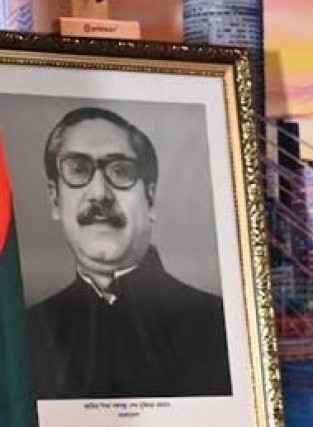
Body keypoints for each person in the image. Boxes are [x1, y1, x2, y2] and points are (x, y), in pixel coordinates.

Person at [24, 107, 233, 400]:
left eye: (120, 171)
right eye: (78, 170)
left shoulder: (220, 326)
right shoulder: (23, 333)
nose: (100, 193)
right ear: (55, 199)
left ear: (150, 199)